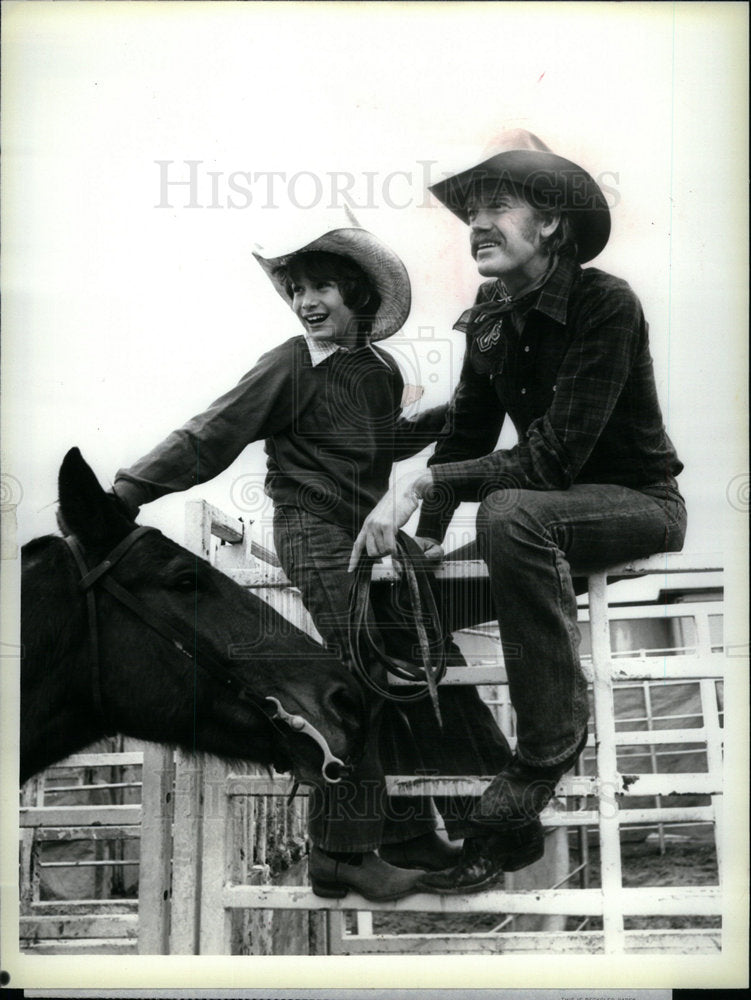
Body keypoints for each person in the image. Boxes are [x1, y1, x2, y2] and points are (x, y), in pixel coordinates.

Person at [112, 224, 514, 900]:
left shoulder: (379, 372)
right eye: (295, 289)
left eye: (319, 285)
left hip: (371, 539)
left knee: (418, 659)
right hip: (313, 531)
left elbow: (381, 445)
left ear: (354, 292)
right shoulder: (290, 363)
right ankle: (343, 852)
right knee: (361, 672)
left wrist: (465, 409)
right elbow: (213, 432)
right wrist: (127, 491)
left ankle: (420, 831)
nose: (305, 301)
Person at [350, 129, 687, 893]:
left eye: (497, 204)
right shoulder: (491, 307)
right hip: (537, 524)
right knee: (398, 608)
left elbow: (548, 463)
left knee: (510, 510)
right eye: (469, 208)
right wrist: (425, 541)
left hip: (634, 504)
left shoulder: (605, 304)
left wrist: (418, 489)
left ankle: (540, 757)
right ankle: (498, 823)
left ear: (553, 224)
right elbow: (468, 428)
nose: (474, 222)